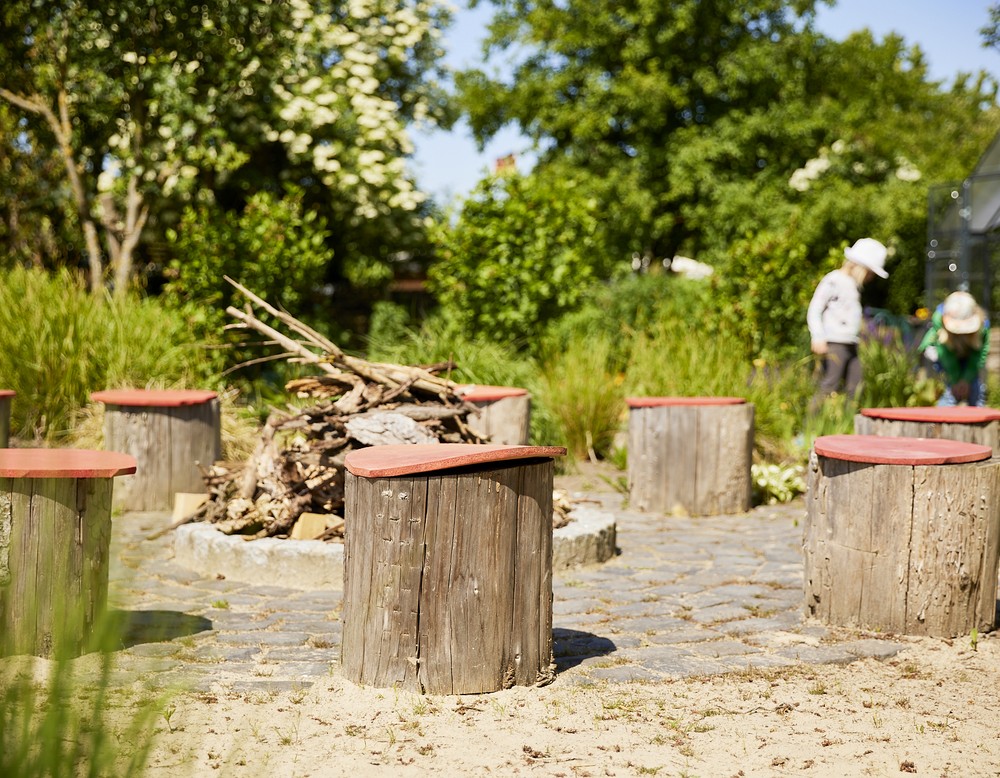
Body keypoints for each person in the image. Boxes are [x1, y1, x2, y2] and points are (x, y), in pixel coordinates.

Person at [807, 237, 889, 401]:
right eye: (870, 272)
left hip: (851, 343)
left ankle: (848, 423)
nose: (871, 278)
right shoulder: (834, 280)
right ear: (860, 267)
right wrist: (818, 336)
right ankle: (811, 425)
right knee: (829, 385)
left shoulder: (852, 285)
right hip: (835, 343)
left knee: (856, 388)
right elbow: (815, 309)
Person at [918, 290, 990, 407]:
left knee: (975, 390)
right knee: (951, 392)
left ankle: (978, 414)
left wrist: (966, 379)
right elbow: (946, 354)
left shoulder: (983, 325)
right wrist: (955, 380)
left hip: (968, 355)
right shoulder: (939, 320)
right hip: (944, 356)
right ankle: (943, 416)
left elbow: (978, 355)